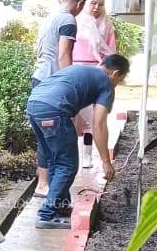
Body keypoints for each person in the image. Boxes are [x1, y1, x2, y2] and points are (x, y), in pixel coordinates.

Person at [26, 55, 130, 230]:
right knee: (67, 165)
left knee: (54, 161)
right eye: (120, 79)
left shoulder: (83, 70)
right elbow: (99, 125)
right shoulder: (106, 83)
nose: (118, 83)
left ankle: (59, 206)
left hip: (34, 105)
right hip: (54, 110)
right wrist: (106, 162)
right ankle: (47, 214)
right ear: (115, 73)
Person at [31, 0, 89, 197]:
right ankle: (49, 189)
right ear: (80, 3)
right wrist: (69, 85)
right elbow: (64, 54)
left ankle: (43, 185)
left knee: (44, 138)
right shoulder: (68, 20)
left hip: (39, 80)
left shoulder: (49, 19)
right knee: (62, 141)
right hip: (53, 85)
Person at [72, 0, 117, 169]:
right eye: (93, 3)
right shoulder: (77, 23)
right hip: (76, 72)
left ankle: (88, 156)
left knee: (93, 119)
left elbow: (111, 53)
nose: (96, 7)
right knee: (75, 117)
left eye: (100, 4)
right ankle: (71, 156)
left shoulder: (107, 26)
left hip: (98, 74)